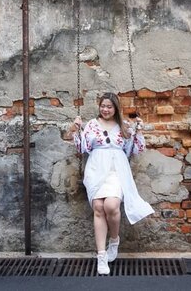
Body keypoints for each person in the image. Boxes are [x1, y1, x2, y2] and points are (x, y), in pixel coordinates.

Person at [72, 92, 154, 275]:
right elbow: (81, 148)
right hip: (96, 169)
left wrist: (138, 131)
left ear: (115, 108)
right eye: (103, 106)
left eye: (109, 106)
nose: (105, 109)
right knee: (99, 207)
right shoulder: (92, 125)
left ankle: (114, 240)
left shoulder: (124, 126)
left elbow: (135, 150)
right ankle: (101, 255)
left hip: (117, 169)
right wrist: (76, 130)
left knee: (111, 205)